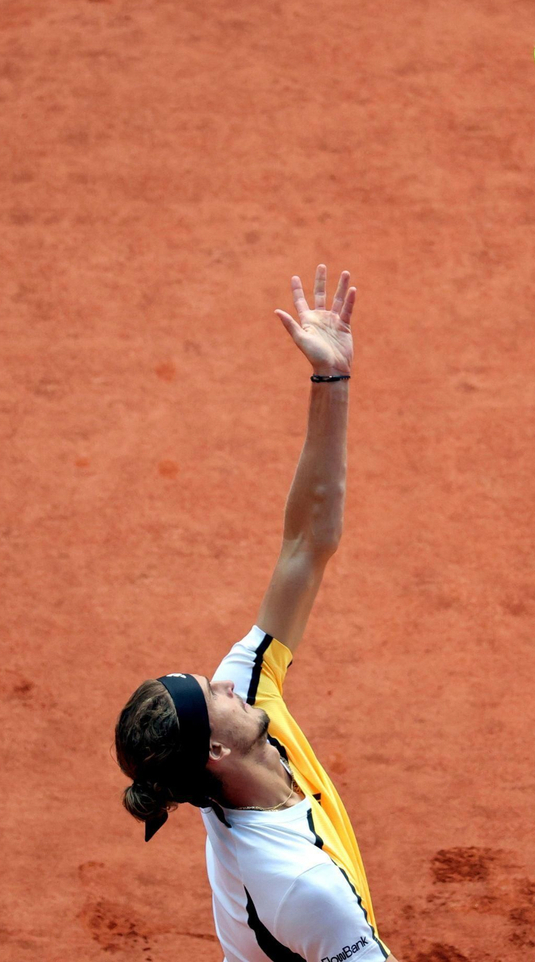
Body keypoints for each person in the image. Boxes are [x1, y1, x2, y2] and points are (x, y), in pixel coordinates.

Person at [113, 264, 387, 962]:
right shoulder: (296, 884)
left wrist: (332, 380)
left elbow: (307, 543)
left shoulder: (243, 712)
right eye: (214, 694)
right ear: (215, 751)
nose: (229, 681)